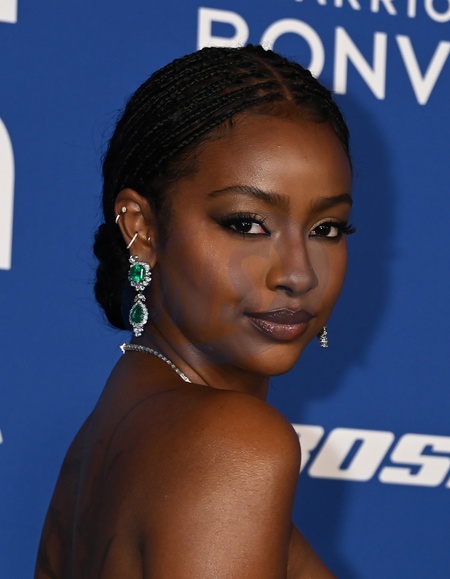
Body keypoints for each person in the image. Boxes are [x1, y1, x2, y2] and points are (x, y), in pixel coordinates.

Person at [35, 44, 354, 578]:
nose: (299, 274)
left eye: (327, 229)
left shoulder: (108, 436)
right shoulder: (231, 444)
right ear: (141, 228)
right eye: (247, 224)